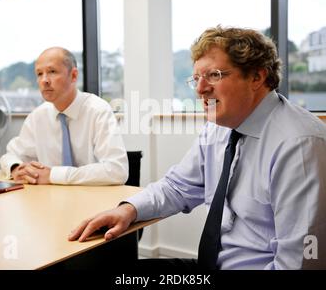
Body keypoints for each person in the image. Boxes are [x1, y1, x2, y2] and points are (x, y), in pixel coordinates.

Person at [68, 26, 326, 270]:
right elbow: (177, 186)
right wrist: (128, 209)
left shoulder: (299, 145)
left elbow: (301, 262)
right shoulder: (219, 128)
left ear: (257, 76)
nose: (201, 89)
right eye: (196, 79)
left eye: (214, 75)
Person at [0, 47, 128, 185]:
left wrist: (53, 175)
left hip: (94, 199)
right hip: (49, 200)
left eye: (52, 72)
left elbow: (117, 170)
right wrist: (16, 168)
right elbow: (10, 155)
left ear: (73, 75)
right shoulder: (37, 117)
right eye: (39, 74)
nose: (44, 80)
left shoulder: (98, 111)